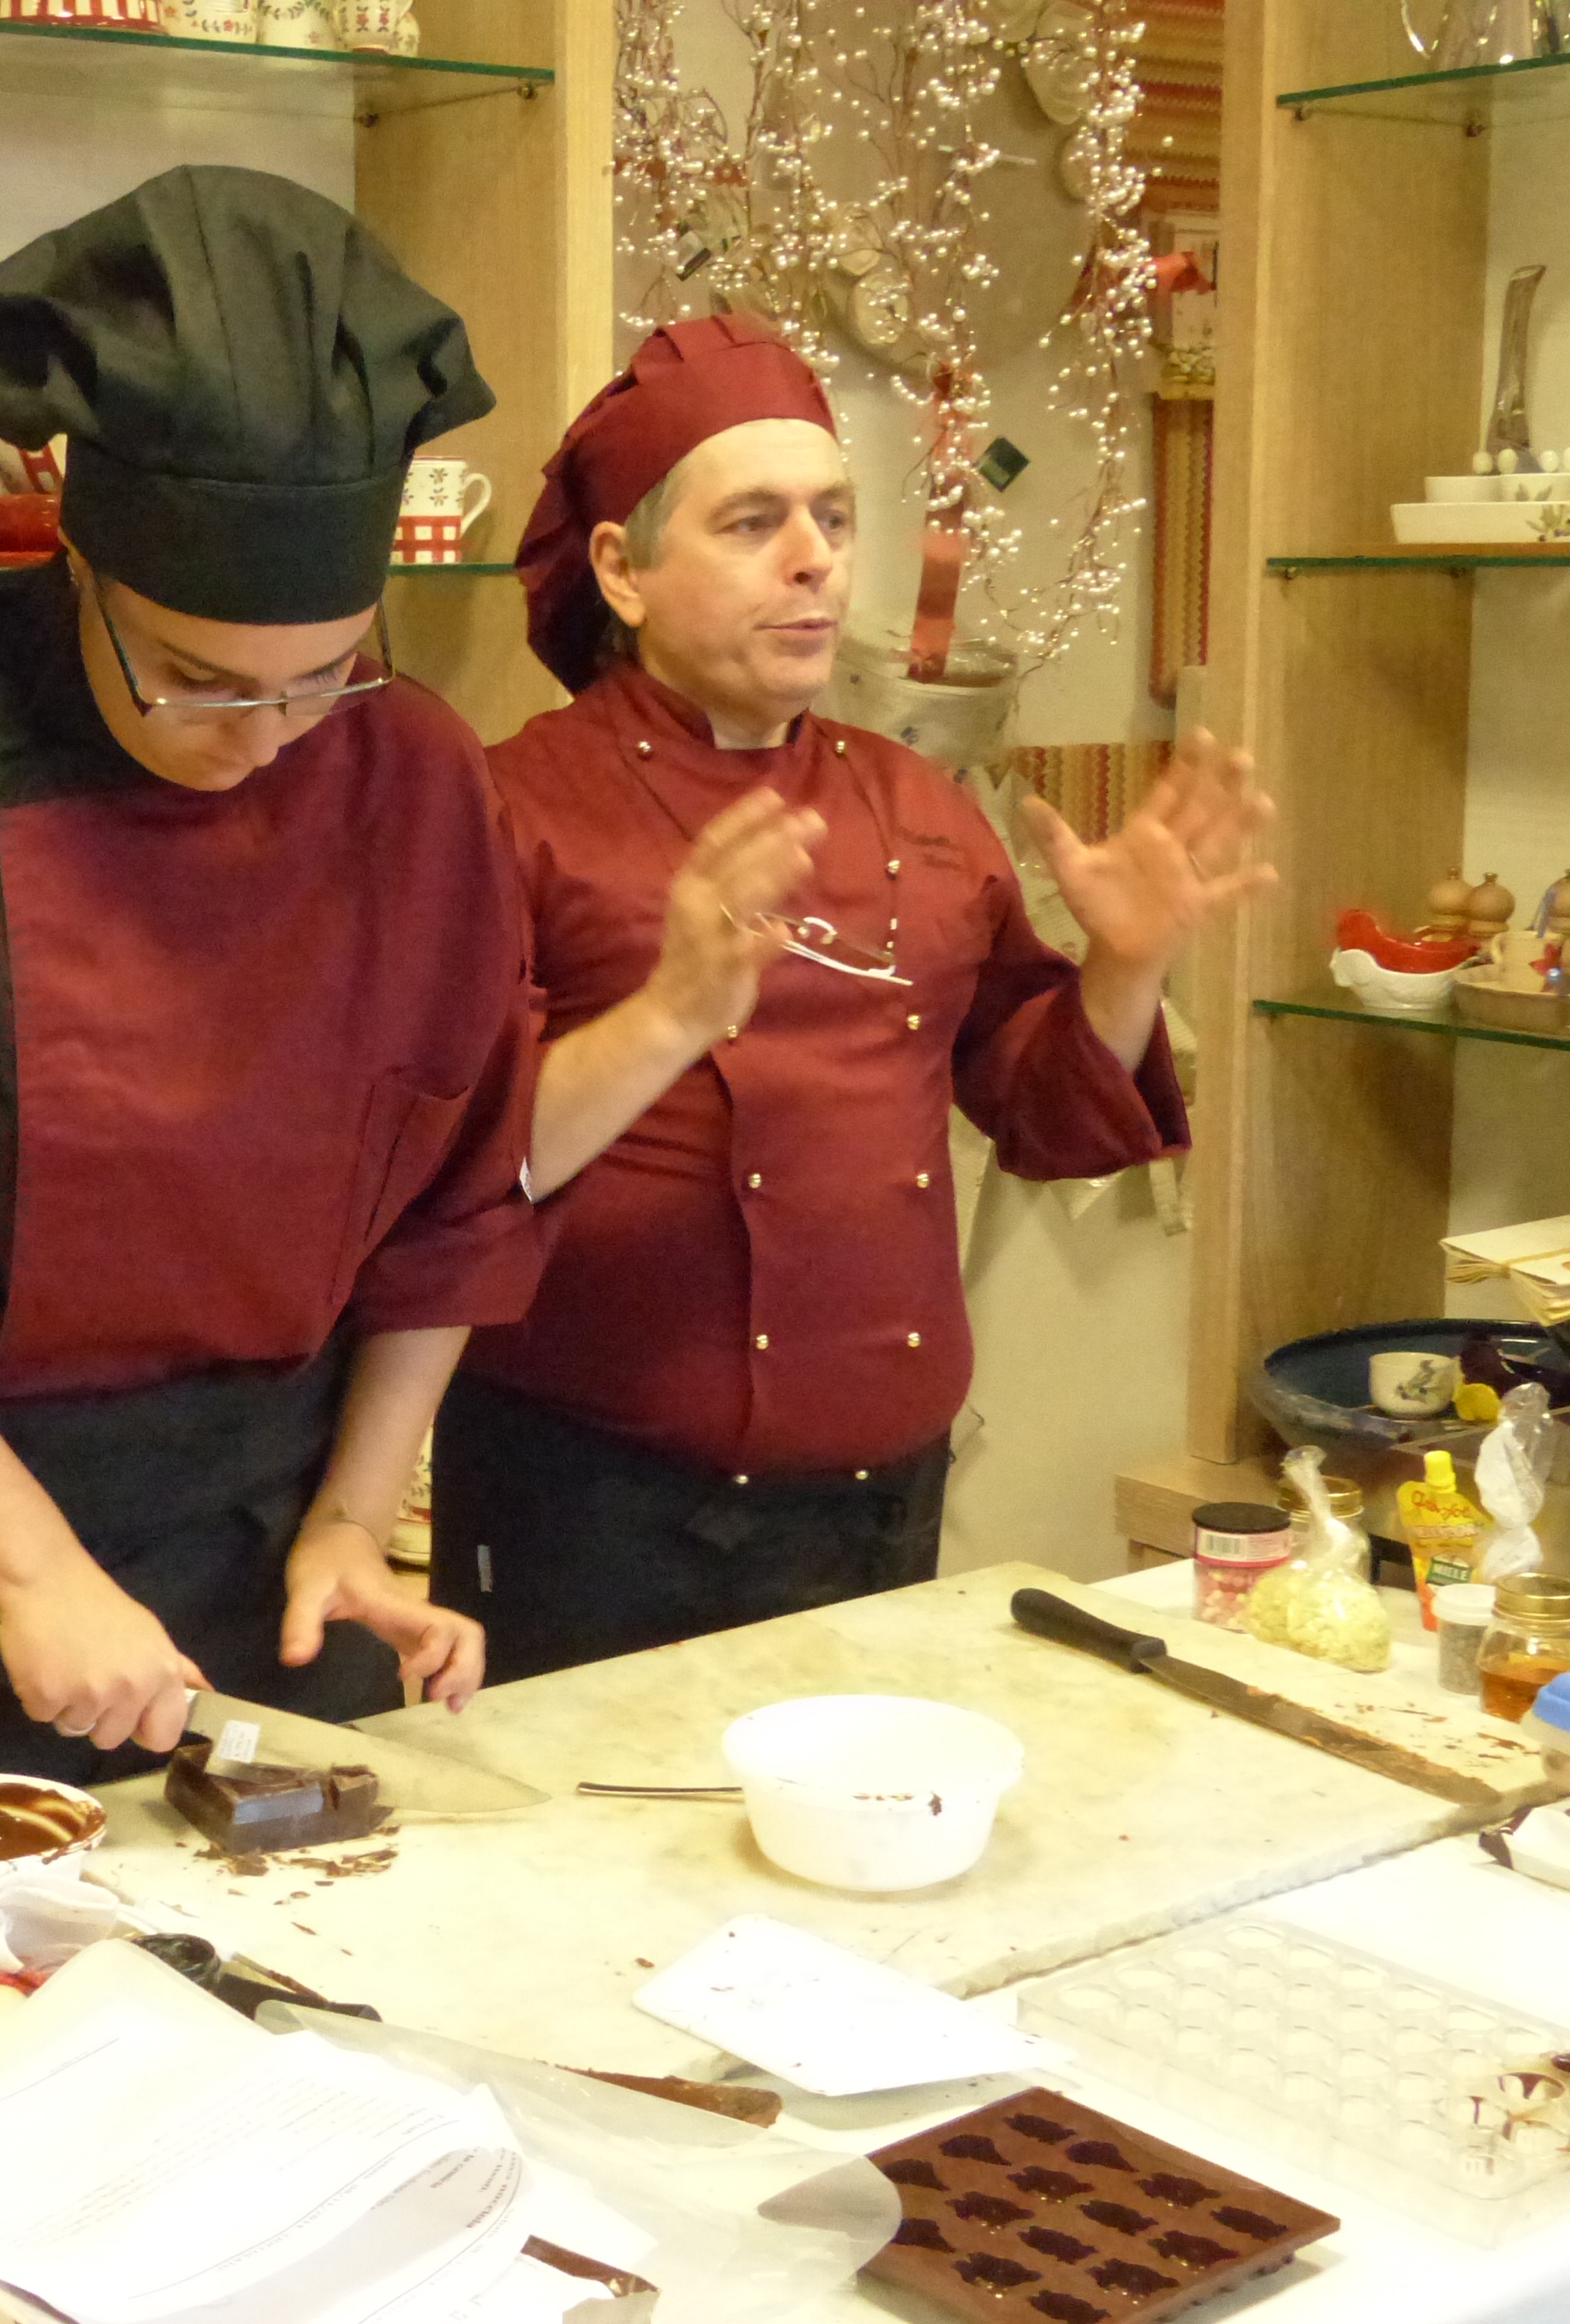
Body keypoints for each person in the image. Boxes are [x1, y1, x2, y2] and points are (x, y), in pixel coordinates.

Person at [0, 167, 543, 1909]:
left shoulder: (421, 778)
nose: (266, 736)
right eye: (199, 678)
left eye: (324, 674)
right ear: (79, 547)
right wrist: (34, 1571)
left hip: (254, 1571)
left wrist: (353, 1526)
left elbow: (454, 1202)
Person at [428, 315, 1276, 1681]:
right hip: (591, 1513)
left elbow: (1046, 1120)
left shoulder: (917, 803)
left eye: (832, 517)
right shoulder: (506, 808)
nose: (814, 558)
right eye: (752, 522)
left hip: (886, 1507)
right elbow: (448, 1178)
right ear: (621, 571)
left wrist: (1125, 966)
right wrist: (667, 1015)